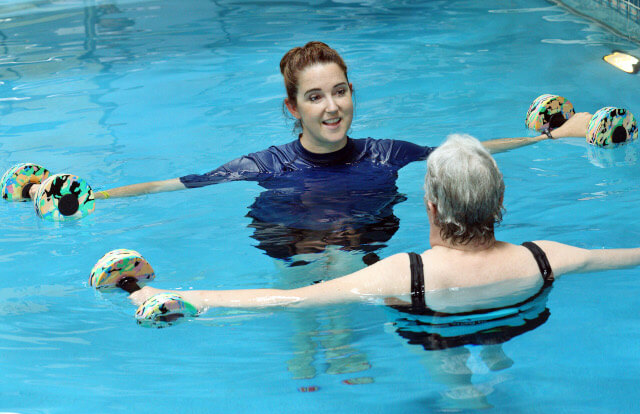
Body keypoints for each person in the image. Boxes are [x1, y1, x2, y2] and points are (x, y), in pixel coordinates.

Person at [87, 41, 591, 270]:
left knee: (345, 258)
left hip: (363, 245)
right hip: (295, 248)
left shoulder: (386, 152)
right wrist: (95, 195)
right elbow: (179, 184)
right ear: (293, 107)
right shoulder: (267, 164)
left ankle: (335, 337)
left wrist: (554, 137)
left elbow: (463, 152)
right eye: (315, 96)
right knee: (318, 270)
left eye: (341, 91)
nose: (332, 107)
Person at [128, 133, 640, 313]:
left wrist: (177, 296)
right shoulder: (544, 257)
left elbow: (286, 300)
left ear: (430, 206)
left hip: (432, 320)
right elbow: (626, 256)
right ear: (500, 202)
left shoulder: (405, 273)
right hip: (519, 311)